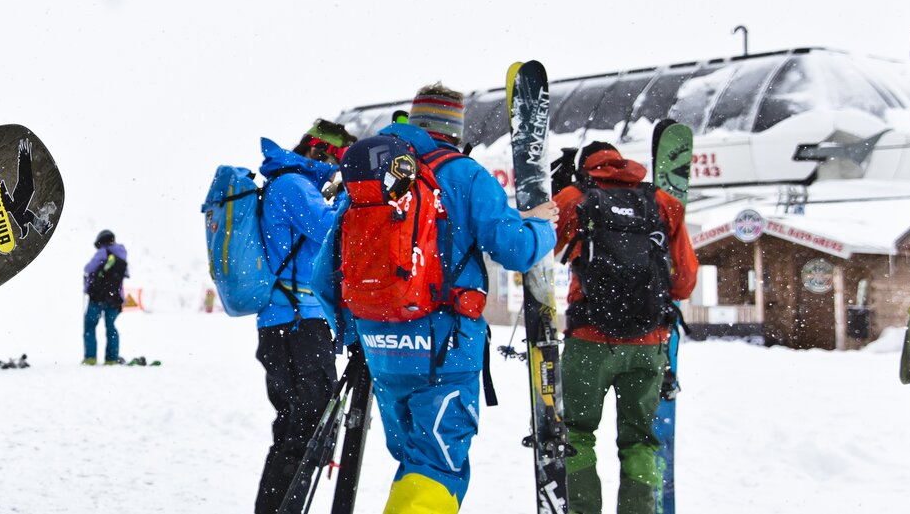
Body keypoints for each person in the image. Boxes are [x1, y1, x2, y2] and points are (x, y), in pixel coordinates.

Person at [314, 83, 556, 513]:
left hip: (379, 344)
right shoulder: (465, 174)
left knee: (412, 459)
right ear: (455, 128)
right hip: (445, 346)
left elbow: (323, 275)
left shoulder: (372, 175)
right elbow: (514, 248)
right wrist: (542, 226)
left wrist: (355, 333)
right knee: (435, 465)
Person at [551, 142, 698, 514]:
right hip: (648, 342)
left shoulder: (576, 197)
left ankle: (583, 510)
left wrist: (555, 195)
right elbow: (684, 281)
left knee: (577, 434)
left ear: (585, 167)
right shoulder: (662, 202)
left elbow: (536, 250)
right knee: (639, 441)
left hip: (590, 341)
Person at [249, 120, 354, 514]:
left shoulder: (290, 182)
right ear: (319, 151)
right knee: (308, 428)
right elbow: (333, 231)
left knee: (298, 428)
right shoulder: (294, 185)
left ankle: (277, 508)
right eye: (338, 158)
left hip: (289, 322)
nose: (339, 168)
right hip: (296, 323)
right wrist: (348, 198)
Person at [83, 230, 129, 365]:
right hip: (114, 298)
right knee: (111, 328)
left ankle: (90, 358)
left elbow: (88, 268)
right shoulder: (122, 254)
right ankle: (111, 359)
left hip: (97, 296)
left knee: (90, 326)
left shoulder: (103, 252)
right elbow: (125, 274)